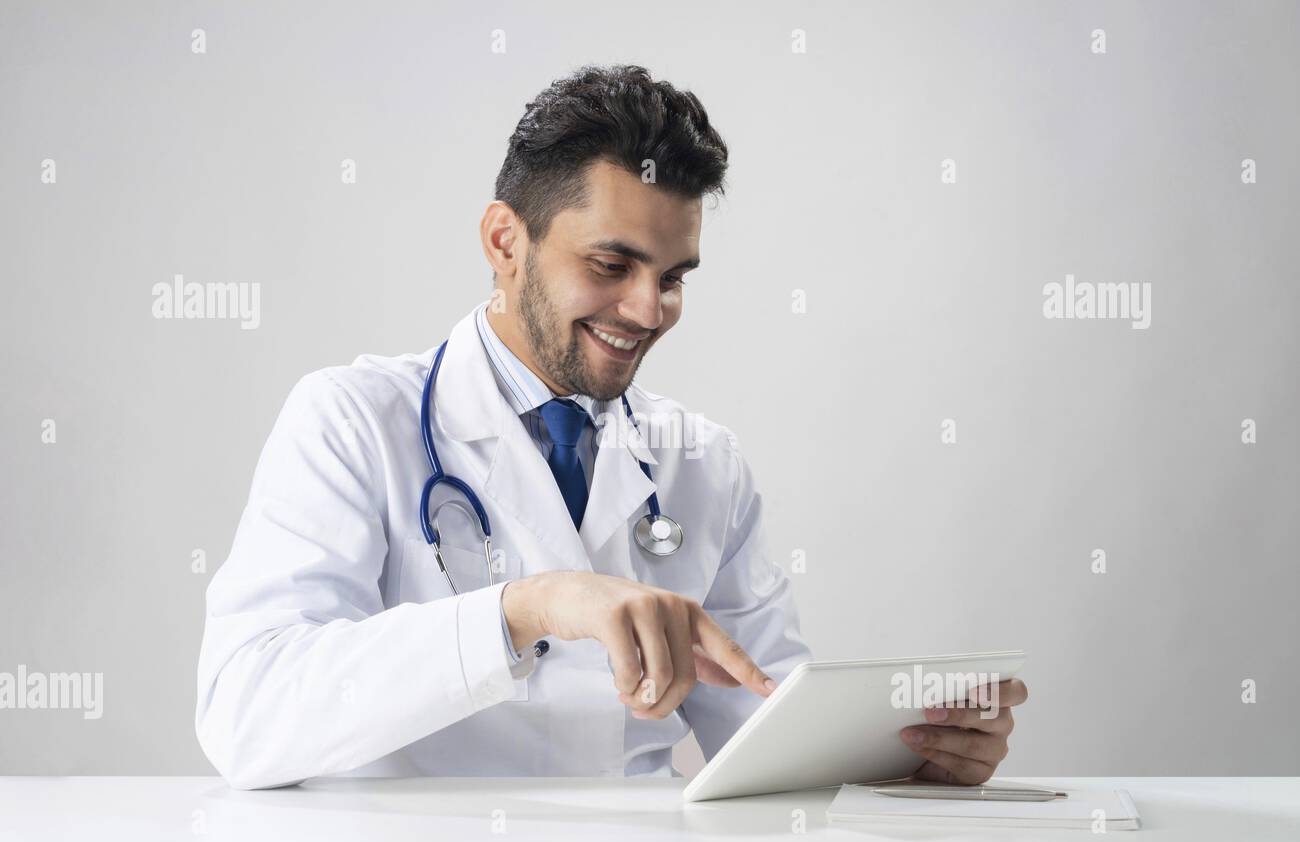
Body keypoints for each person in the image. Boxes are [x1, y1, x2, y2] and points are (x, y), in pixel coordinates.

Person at [195, 63, 1026, 790]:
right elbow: (246, 710)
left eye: (673, 277)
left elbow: (770, 732)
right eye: (610, 265)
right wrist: (528, 607)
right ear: (504, 240)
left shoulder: (702, 463)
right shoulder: (351, 421)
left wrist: (910, 755)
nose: (647, 309)